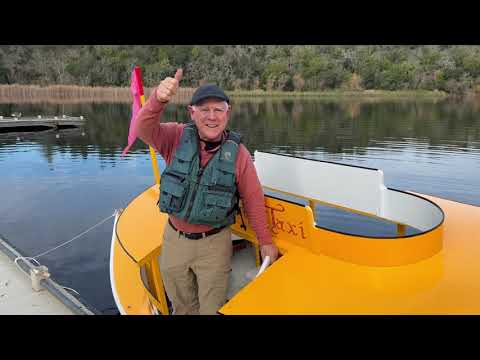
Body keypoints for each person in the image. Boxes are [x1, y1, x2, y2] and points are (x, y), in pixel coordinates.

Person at [135, 68, 279, 315]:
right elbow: (143, 129)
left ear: (227, 113)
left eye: (218, 109)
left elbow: (253, 199)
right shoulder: (175, 136)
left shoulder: (239, 155)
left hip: (214, 243)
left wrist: (265, 241)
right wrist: (157, 99)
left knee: (211, 307)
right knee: (182, 306)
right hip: (174, 239)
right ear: (192, 113)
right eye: (204, 109)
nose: (211, 116)